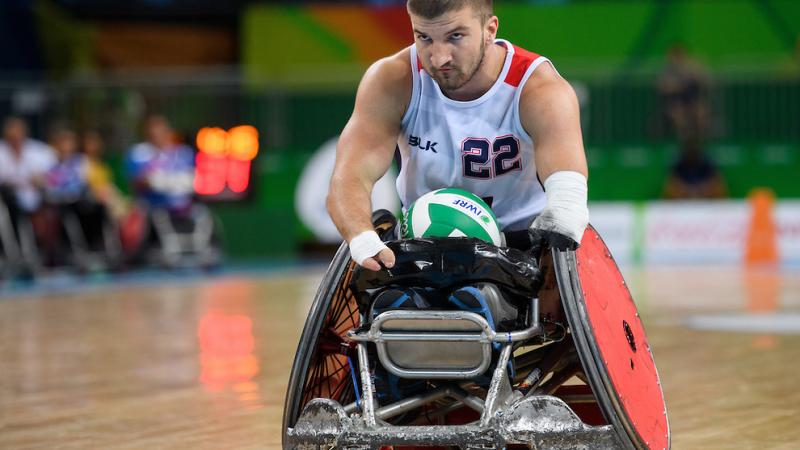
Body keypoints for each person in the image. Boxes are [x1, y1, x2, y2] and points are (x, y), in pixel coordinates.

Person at [327, 0, 589, 271]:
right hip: (421, 245)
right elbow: (349, 177)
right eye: (424, 37)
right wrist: (361, 237)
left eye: (455, 36)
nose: (439, 58)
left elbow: (567, 192)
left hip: (518, 248)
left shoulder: (538, 88)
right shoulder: (393, 79)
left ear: (490, 29)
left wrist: (564, 213)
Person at [126, 114, 195, 214]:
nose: (156, 135)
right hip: (152, 209)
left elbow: (193, 180)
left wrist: (166, 182)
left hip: (184, 210)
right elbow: (137, 182)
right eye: (152, 132)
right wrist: (155, 182)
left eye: (160, 131)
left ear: (168, 131)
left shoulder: (184, 153)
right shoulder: (138, 153)